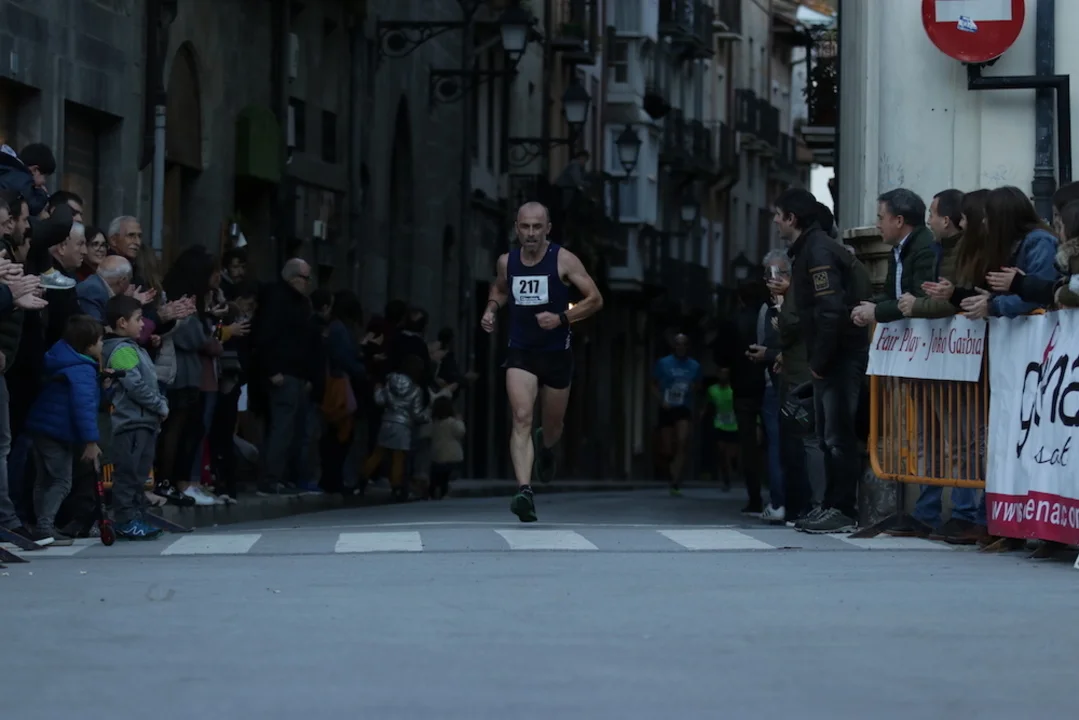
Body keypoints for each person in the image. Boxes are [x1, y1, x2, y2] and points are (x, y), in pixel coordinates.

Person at [480, 201, 604, 522]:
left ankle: (546, 448)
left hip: (556, 354)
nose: (531, 233)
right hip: (521, 351)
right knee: (521, 416)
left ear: (548, 228)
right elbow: (501, 288)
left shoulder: (563, 259)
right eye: (525, 227)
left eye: (537, 227)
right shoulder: (507, 261)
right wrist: (491, 309)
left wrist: (562, 318)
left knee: (552, 427)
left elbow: (595, 299)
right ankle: (524, 491)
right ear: (516, 228)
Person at [773, 188, 870, 534]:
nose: (775, 221)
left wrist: (820, 360)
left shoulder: (817, 252)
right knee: (829, 437)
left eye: (778, 215)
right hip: (834, 357)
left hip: (839, 357)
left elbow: (830, 311)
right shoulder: (812, 249)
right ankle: (831, 504)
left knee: (838, 436)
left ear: (792, 218)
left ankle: (842, 509)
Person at [23, 314, 104, 545]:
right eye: (100, 341)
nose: (102, 345)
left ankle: (41, 524)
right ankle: (45, 526)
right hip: (58, 431)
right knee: (61, 481)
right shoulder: (83, 370)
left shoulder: (61, 359)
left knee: (44, 480)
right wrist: (91, 442)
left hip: (41, 426)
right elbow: (84, 407)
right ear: (88, 346)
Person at [102, 295, 168, 540]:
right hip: (131, 424)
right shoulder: (122, 351)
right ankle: (125, 520)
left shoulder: (133, 347)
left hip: (144, 422)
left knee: (138, 475)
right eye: (138, 319)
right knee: (128, 475)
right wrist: (160, 405)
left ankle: (137, 516)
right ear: (122, 322)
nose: (143, 324)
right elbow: (136, 387)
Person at [362, 354, 428, 498]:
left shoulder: (390, 381)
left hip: (387, 421)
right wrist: (427, 416)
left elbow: (380, 401)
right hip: (403, 426)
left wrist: (377, 390)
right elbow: (416, 414)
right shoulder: (416, 390)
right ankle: (396, 486)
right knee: (399, 457)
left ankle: (362, 480)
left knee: (377, 454)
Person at [652, 333, 702, 495]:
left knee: (682, 441)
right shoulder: (663, 363)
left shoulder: (694, 366)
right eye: (678, 344)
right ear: (673, 346)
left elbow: (698, 385)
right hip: (667, 407)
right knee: (667, 448)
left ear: (688, 346)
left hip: (683, 407)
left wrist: (692, 389)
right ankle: (670, 469)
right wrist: (661, 400)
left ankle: (675, 481)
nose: (681, 347)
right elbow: (653, 384)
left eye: (684, 344)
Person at [705, 368, 738, 490]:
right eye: (721, 373)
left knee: (732, 454)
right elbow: (709, 404)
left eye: (725, 373)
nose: (723, 375)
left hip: (734, 425)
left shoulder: (734, 389)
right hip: (719, 424)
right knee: (722, 452)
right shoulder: (712, 390)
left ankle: (732, 470)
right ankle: (726, 479)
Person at [429, 395, 465, 500]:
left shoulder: (434, 423)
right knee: (446, 476)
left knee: (437, 476)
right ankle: (444, 492)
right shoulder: (452, 422)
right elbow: (461, 432)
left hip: (437, 455)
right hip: (452, 456)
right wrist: (460, 421)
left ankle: (434, 492)